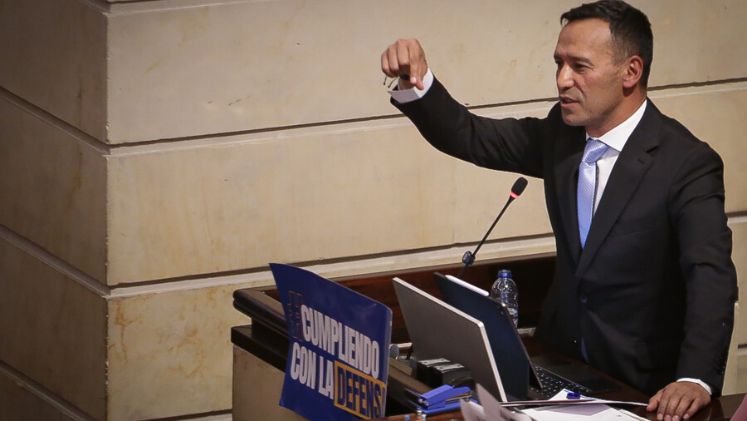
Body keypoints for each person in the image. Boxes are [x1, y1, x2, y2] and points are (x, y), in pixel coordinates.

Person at [380, 1, 738, 420]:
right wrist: (418, 84)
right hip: (557, 371)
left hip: (641, 391)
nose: (562, 80)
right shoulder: (561, 135)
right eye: (559, 64)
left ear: (631, 72)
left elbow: (710, 275)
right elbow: (471, 136)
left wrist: (695, 378)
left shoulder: (686, 163)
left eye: (579, 66)